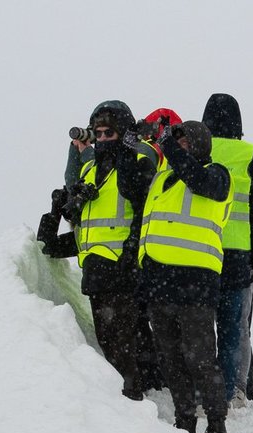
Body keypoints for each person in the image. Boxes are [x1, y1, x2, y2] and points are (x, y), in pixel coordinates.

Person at [37, 100, 158, 399]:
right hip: (95, 273)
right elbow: (53, 242)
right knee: (111, 347)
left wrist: (130, 257)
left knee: (123, 349)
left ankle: (133, 409)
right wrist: (61, 207)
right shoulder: (90, 170)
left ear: (124, 134)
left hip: (123, 272)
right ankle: (130, 404)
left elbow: (144, 213)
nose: (103, 140)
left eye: (110, 134)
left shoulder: (136, 166)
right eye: (99, 134)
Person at [137, 121, 234, 433]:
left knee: (201, 358)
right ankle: (184, 420)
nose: (178, 146)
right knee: (171, 359)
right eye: (175, 141)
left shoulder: (218, 174)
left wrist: (170, 147)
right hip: (159, 282)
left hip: (196, 283)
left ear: (201, 145)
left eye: (184, 141)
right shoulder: (163, 178)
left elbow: (201, 182)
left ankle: (217, 425)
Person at [201, 93, 253, 406]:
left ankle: (202, 388)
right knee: (234, 328)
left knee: (199, 327)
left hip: (200, 255)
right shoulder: (247, 156)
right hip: (238, 259)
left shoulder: (196, 153)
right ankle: (235, 390)